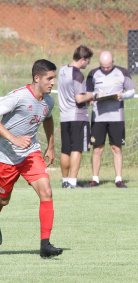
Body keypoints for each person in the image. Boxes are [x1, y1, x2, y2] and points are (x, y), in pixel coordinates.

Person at [0, 59, 63, 257]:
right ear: (37, 78)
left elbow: (48, 117)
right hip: (5, 156)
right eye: (49, 78)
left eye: (54, 78)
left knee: (46, 191)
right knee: (3, 201)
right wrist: (13, 139)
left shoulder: (48, 101)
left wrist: (51, 146)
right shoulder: (18, 97)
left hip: (30, 154)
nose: (53, 82)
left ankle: (45, 245)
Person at [84, 51, 135, 188]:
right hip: (98, 117)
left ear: (113, 60)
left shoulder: (122, 72)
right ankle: (95, 179)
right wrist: (96, 95)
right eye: (103, 66)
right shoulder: (93, 73)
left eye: (108, 66)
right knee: (97, 148)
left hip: (116, 117)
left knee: (116, 147)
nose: (105, 69)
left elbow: (131, 91)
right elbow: (86, 93)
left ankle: (118, 179)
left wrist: (121, 95)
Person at [58, 45, 95, 189]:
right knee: (77, 148)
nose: (88, 64)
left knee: (65, 149)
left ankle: (65, 181)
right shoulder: (78, 74)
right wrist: (93, 95)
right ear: (82, 59)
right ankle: (73, 182)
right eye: (88, 61)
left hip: (64, 116)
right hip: (78, 116)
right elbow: (79, 98)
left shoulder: (62, 70)